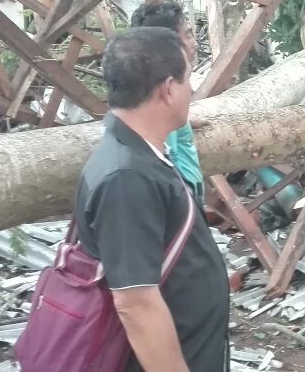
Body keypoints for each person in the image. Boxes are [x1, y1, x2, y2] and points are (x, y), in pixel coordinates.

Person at [75, 27, 229, 372]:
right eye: (188, 79)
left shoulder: (140, 154)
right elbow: (136, 303)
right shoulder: (127, 178)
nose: (191, 90)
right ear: (169, 89)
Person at [130, 1, 205, 205]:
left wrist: (185, 123)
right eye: (188, 35)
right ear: (169, 42)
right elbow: (166, 159)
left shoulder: (157, 88)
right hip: (182, 198)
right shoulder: (164, 95)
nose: (194, 42)